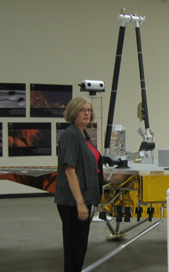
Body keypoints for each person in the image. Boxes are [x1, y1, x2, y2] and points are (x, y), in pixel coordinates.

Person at [55, 96, 103, 272]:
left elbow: (89, 166)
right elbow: (70, 170)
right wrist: (80, 203)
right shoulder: (70, 135)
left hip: (85, 198)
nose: (86, 113)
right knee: (74, 247)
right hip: (73, 201)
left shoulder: (84, 135)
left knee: (80, 246)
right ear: (73, 113)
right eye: (82, 110)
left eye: (89, 110)